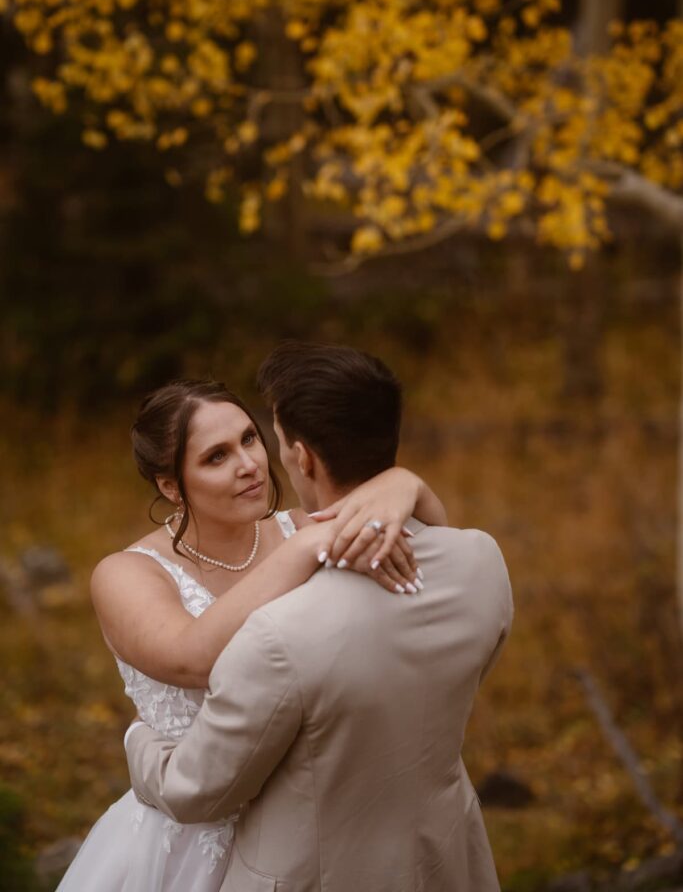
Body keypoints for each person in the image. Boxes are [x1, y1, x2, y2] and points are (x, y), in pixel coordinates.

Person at [126, 344, 514, 892]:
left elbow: (195, 790)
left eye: (262, 441)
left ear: (302, 458)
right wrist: (404, 483)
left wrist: (138, 742)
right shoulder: (482, 561)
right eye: (216, 456)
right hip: (445, 859)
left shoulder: (276, 633)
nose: (252, 464)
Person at [57, 376, 447, 892]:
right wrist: (304, 550)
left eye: (248, 439)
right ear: (171, 486)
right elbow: (190, 657)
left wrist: (406, 485)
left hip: (311, 831)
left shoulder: (308, 527)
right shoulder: (127, 573)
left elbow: (439, 553)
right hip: (185, 841)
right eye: (215, 457)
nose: (248, 464)